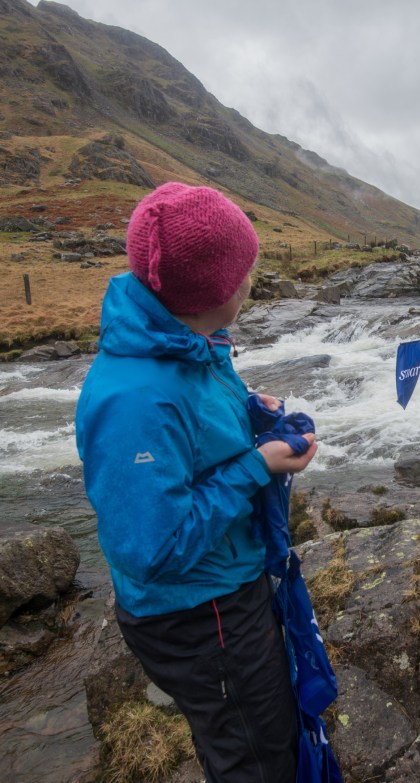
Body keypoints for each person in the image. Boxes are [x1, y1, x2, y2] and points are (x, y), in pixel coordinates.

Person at [75, 182, 316, 782]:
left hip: (224, 587)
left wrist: (251, 411)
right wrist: (257, 467)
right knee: (255, 757)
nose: (252, 281)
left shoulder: (187, 342)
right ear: (212, 291)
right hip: (197, 614)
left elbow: (197, 419)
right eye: (245, 272)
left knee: (255, 733)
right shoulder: (136, 401)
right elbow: (153, 548)